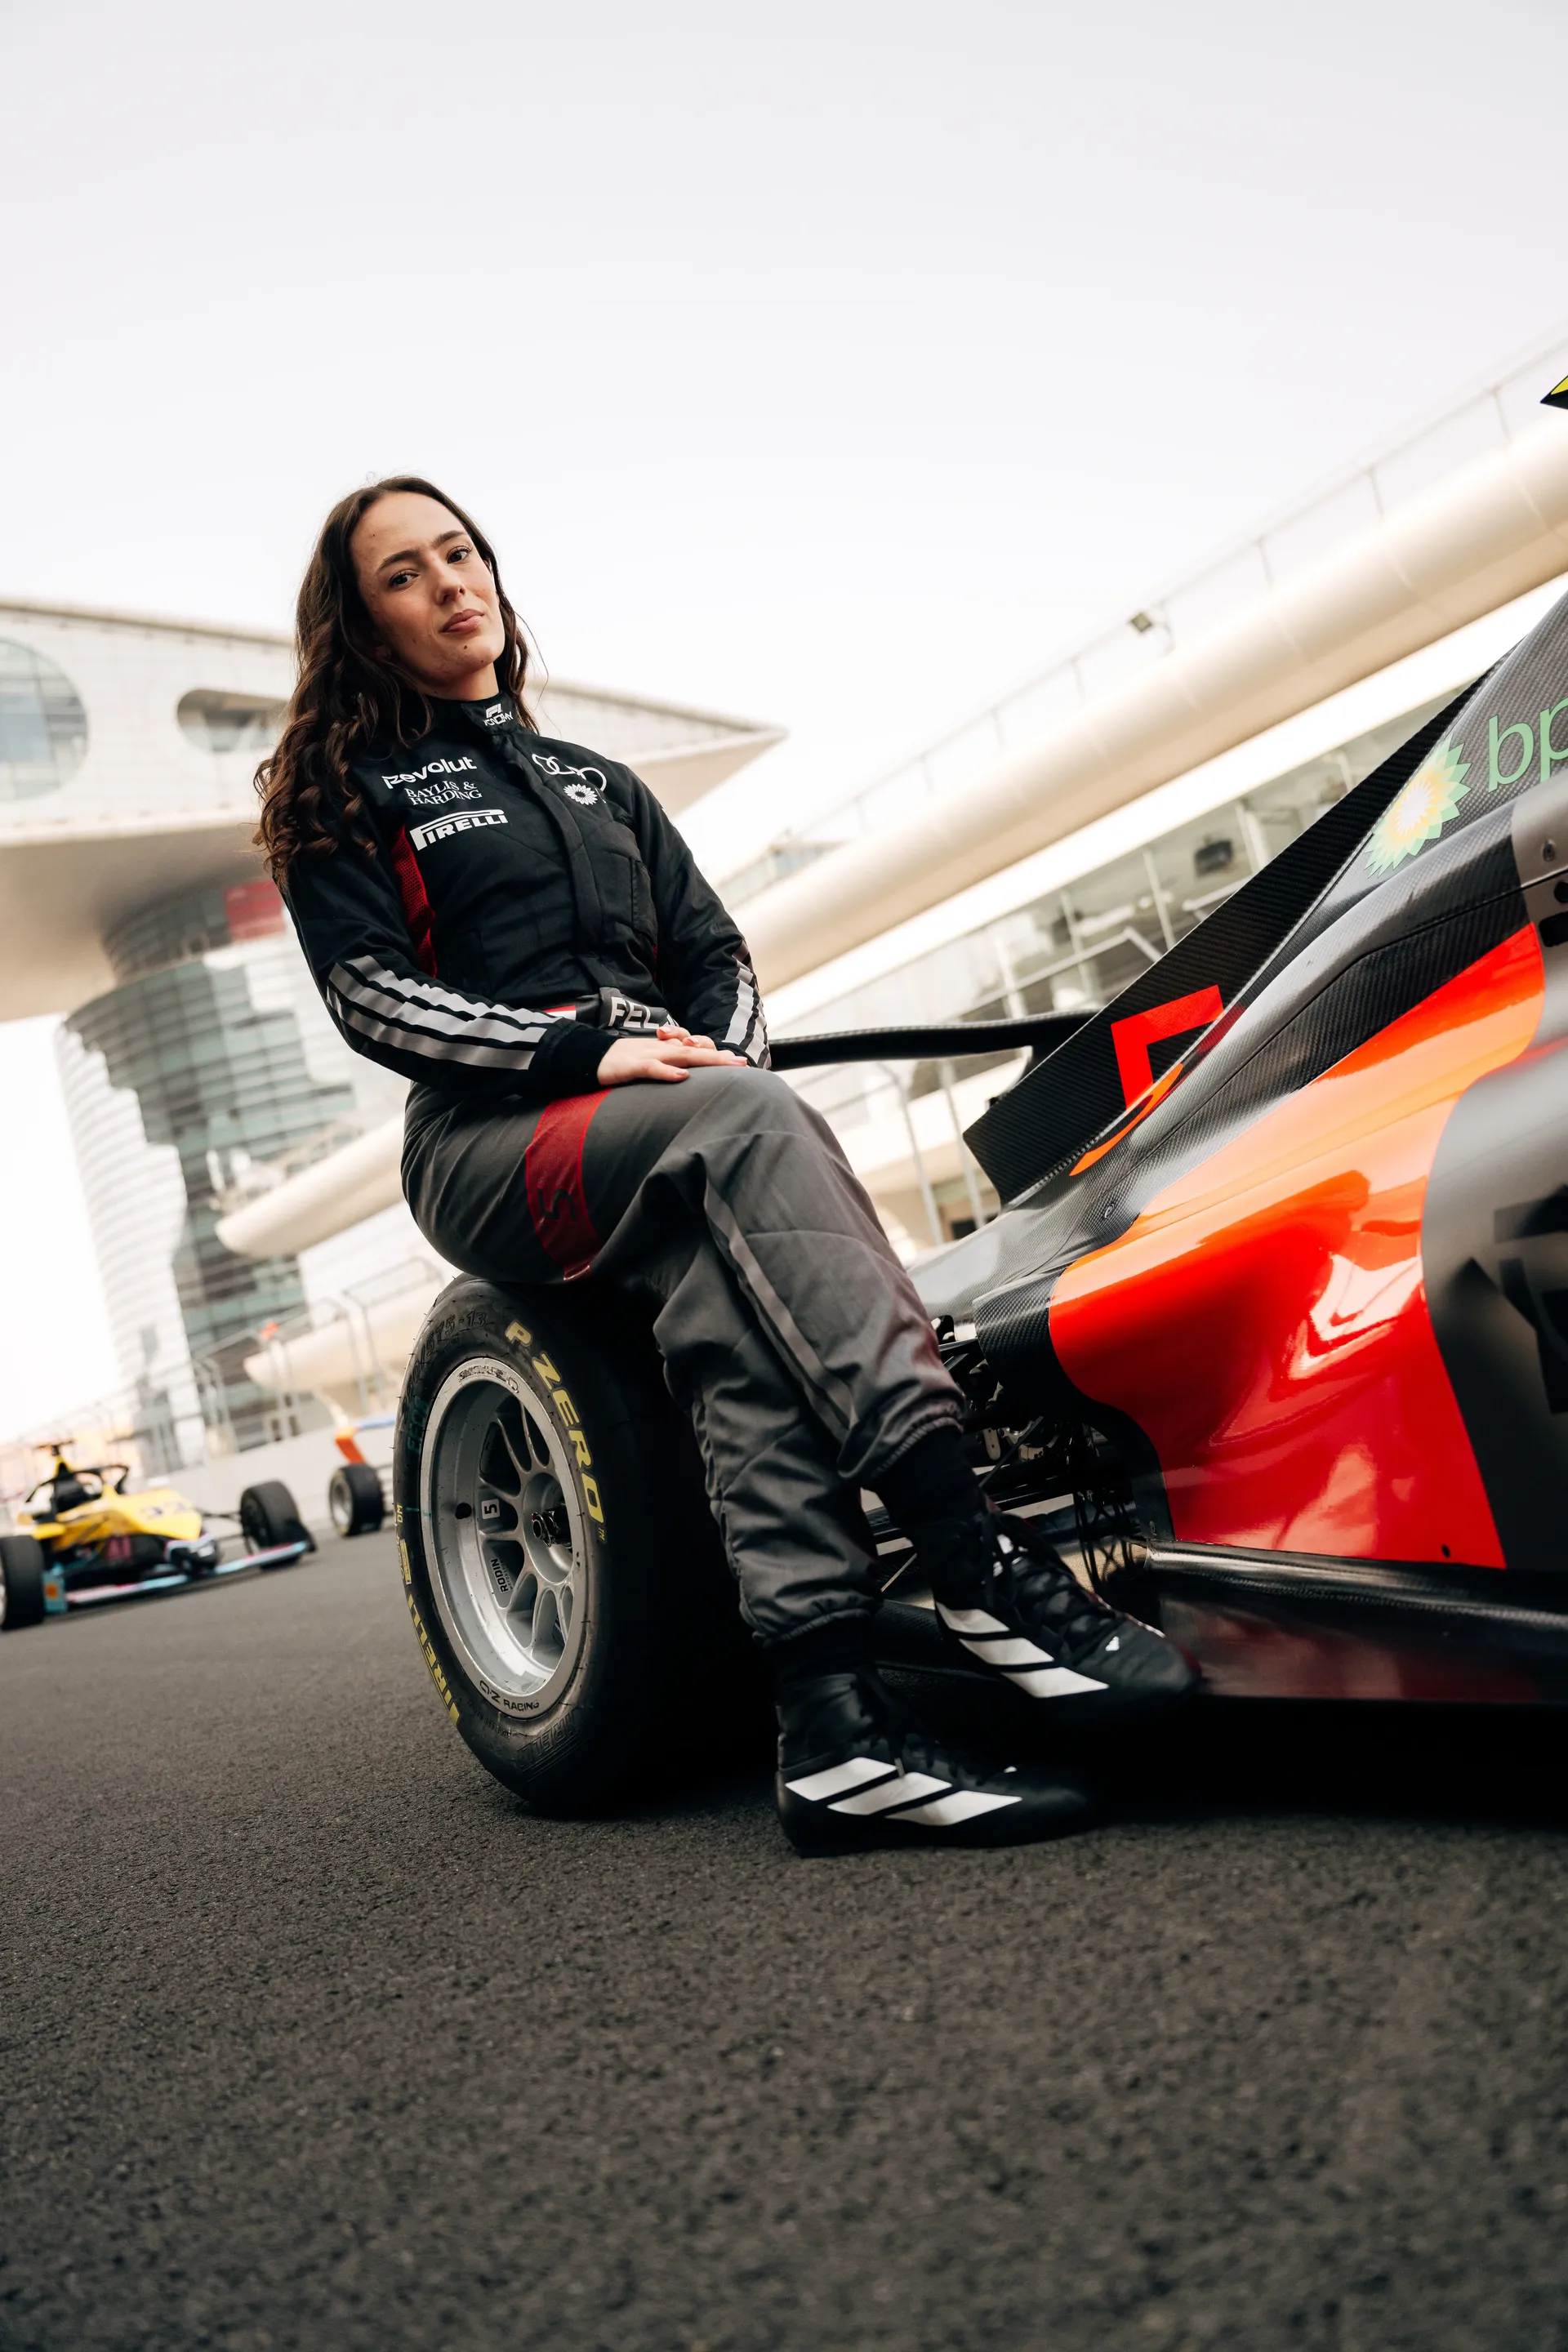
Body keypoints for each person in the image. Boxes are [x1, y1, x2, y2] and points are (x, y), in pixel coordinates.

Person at [256, 475, 1196, 1853]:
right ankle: (965, 1544)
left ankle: (830, 1723)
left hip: (668, 1126)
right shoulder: (355, 789)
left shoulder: (603, 785)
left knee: (715, 1265)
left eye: (462, 553)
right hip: (487, 1143)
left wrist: (708, 1058)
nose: (451, 584)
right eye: (405, 574)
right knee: (743, 1123)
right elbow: (373, 999)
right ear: (362, 624)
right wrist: (591, 1054)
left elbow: (720, 963)